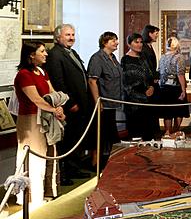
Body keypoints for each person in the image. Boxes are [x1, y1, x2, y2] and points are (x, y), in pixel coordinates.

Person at [14, 42, 66, 207]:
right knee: (35, 157)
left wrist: (58, 108)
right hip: (30, 121)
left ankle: (47, 192)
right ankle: (32, 196)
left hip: (46, 117)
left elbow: (52, 93)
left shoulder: (42, 71)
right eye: (42, 51)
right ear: (31, 55)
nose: (46, 54)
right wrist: (54, 110)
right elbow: (36, 99)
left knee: (49, 154)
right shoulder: (23, 75)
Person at [45, 24, 91, 183]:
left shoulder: (72, 52)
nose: (71, 37)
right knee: (67, 140)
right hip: (68, 106)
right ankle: (64, 173)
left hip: (80, 104)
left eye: (73, 34)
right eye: (67, 35)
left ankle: (74, 168)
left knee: (76, 137)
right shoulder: (55, 55)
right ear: (58, 37)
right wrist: (70, 102)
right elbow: (58, 81)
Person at [87, 31, 122, 164]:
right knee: (100, 134)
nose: (116, 42)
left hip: (112, 103)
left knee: (110, 135)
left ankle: (110, 161)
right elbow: (92, 81)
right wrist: (97, 101)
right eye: (113, 40)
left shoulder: (112, 57)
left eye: (116, 40)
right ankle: (96, 163)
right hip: (103, 103)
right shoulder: (97, 58)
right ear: (104, 42)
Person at [121, 33, 157, 141]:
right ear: (129, 44)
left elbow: (151, 76)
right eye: (136, 42)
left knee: (149, 136)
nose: (140, 44)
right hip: (134, 105)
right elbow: (127, 85)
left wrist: (152, 87)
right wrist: (142, 95)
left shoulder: (143, 58)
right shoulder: (125, 60)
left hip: (148, 103)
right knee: (136, 136)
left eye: (141, 42)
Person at [157, 36, 189, 136]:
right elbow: (180, 74)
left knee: (167, 112)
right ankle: (175, 131)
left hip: (163, 88)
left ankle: (167, 132)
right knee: (179, 110)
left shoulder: (162, 57)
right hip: (176, 88)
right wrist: (183, 90)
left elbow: (159, 72)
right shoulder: (179, 57)